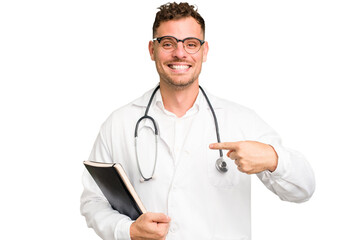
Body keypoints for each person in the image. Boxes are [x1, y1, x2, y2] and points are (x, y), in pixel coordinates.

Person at [80, 2, 315, 240]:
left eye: (191, 44)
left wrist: (273, 159)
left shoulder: (241, 121)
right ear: (152, 50)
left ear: (204, 51)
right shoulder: (119, 123)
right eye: (168, 43)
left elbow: (303, 190)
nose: (180, 53)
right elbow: (93, 200)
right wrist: (127, 230)